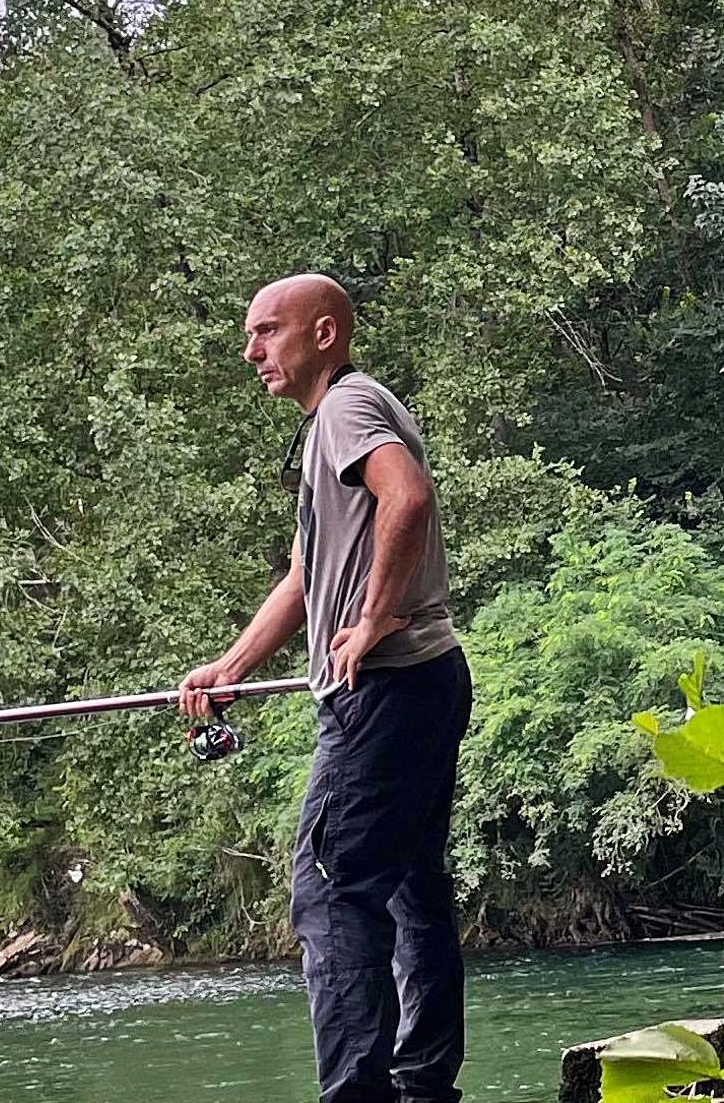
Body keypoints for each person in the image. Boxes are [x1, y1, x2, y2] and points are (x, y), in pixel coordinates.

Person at [178, 273, 472, 1103]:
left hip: (385, 687)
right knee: (412, 886)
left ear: (323, 333)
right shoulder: (328, 428)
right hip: (428, 680)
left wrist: (376, 615)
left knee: (331, 894)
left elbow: (406, 496)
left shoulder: (345, 407)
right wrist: (231, 666)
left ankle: (362, 1094)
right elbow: (311, 573)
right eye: (249, 334)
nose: (251, 351)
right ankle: (421, 1086)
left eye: (266, 331)